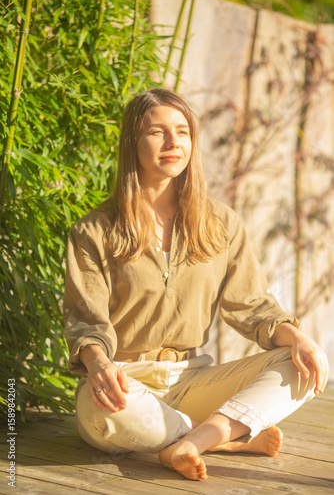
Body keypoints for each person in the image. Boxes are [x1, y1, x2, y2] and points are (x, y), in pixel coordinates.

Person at [63, 88, 329, 481]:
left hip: (192, 378)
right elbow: (85, 320)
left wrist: (297, 337)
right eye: (157, 132)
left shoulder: (219, 224)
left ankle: (192, 438)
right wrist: (98, 363)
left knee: (302, 364)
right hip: (124, 384)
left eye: (183, 131)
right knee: (106, 414)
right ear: (131, 143)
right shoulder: (94, 231)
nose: (173, 142)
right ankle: (221, 435)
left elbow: (254, 306)